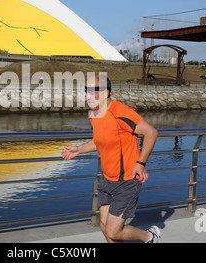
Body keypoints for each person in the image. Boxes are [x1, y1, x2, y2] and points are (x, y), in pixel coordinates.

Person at [61, 74, 160, 243]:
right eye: (86, 91)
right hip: (107, 179)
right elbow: (100, 140)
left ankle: (150, 236)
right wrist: (79, 149)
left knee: (113, 232)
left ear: (105, 92)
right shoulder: (94, 114)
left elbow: (151, 132)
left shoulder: (121, 112)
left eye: (92, 91)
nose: (87, 96)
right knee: (104, 225)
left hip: (126, 181)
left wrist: (141, 163)